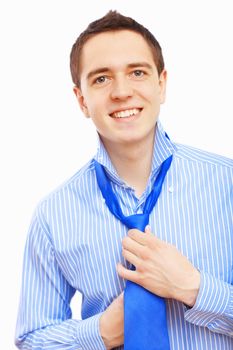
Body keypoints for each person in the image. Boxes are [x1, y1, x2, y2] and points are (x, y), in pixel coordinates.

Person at [15, 10, 233, 350]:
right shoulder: (52, 216)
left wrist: (194, 288)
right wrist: (100, 332)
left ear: (161, 84)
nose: (121, 91)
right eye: (101, 78)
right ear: (81, 100)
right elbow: (31, 338)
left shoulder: (227, 184)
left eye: (137, 72)